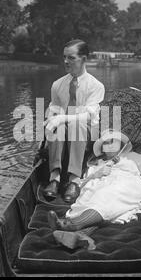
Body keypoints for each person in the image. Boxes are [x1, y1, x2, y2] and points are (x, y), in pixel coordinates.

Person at [47, 129, 141, 249]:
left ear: (121, 144)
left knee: (106, 195)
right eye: (106, 142)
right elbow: (80, 185)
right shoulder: (95, 163)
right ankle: (78, 236)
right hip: (97, 187)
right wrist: (96, 174)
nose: (109, 144)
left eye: (113, 141)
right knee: (95, 199)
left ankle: (69, 224)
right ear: (102, 148)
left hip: (126, 184)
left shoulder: (131, 157)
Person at [42, 39, 105, 204]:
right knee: (56, 124)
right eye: (64, 57)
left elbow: (88, 117)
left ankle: (74, 180)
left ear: (83, 59)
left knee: (76, 124)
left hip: (87, 132)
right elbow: (53, 109)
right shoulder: (57, 85)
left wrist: (61, 118)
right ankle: (54, 178)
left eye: (71, 58)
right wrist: (50, 118)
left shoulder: (96, 86)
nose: (65, 61)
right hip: (64, 132)